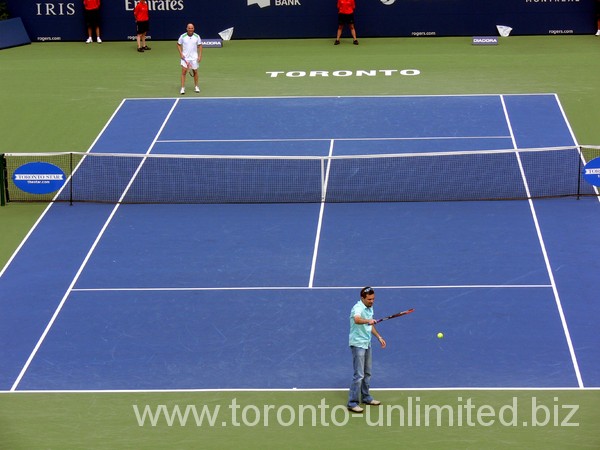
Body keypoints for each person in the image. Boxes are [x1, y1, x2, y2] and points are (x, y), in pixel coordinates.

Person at [347, 286, 386, 413]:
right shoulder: (357, 308)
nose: (372, 301)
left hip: (367, 343)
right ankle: (352, 403)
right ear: (362, 298)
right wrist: (368, 320)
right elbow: (357, 319)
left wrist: (379, 337)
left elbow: (370, 326)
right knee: (359, 375)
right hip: (358, 344)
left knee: (367, 373)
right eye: (369, 299)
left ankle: (366, 397)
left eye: (373, 299)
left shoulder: (369, 307)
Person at [177, 23, 203, 94]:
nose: (190, 29)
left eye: (192, 28)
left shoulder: (197, 36)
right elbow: (178, 45)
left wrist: (200, 56)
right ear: (187, 28)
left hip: (194, 58)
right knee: (183, 72)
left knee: (195, 72)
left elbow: (200, 46)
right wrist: (181, 54)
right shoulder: (183, 36)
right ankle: (182, 88)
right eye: (189, 28)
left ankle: (196, 87)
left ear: (193, 29)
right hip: (185, 58)